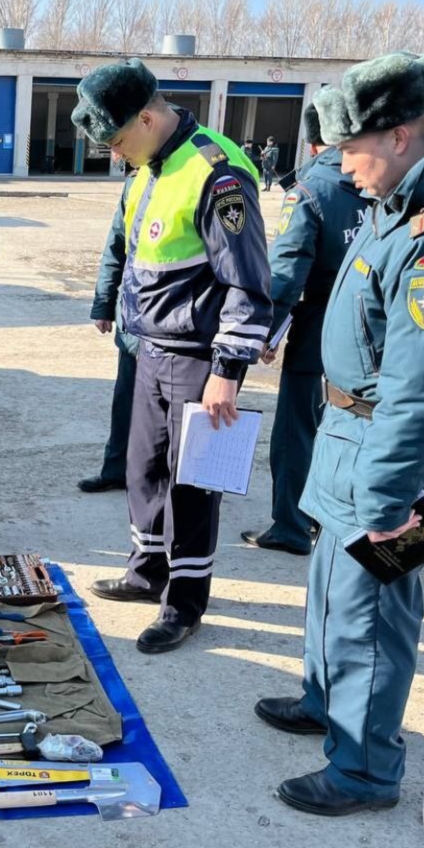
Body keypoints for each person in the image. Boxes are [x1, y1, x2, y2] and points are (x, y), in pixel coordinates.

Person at [255, 52, 424, 816]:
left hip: (395, 457)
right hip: (353, 437)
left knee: (370, 615)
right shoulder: (401, 205)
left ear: (403, 136)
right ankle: (326, 701)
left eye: (352, 148)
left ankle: (365, 769)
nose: (340, 166)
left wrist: (386, 498)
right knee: (329, 591)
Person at [74, 59, 271, 654]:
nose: (113, 154)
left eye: (116, 141)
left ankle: (184, 603)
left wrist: (228, 372)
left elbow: (248, 282)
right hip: (149, 349)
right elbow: (133, 252)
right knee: (144, 469)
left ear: (148, 116)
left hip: (197, 359)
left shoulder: (218, 172)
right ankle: (147, 571)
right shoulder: (147, 167)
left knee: (193, 484)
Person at [242, 104, 368, 555]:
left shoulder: (311, 190)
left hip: (320, 330)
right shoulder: (391, 182)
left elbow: (286, 276)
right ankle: (340, 522)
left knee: (298, 430)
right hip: (380, 338)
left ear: (313, 143)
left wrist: (264, 333)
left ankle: (293, 526)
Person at [80, 150, 141, 494]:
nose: (116, 154)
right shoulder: (134, 185)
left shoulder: (190, 178)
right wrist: (104, 304)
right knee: (125, 401)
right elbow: (116, 245)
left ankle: (161, 481)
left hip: (177, 329)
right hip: (134, 319)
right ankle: (116, 469)